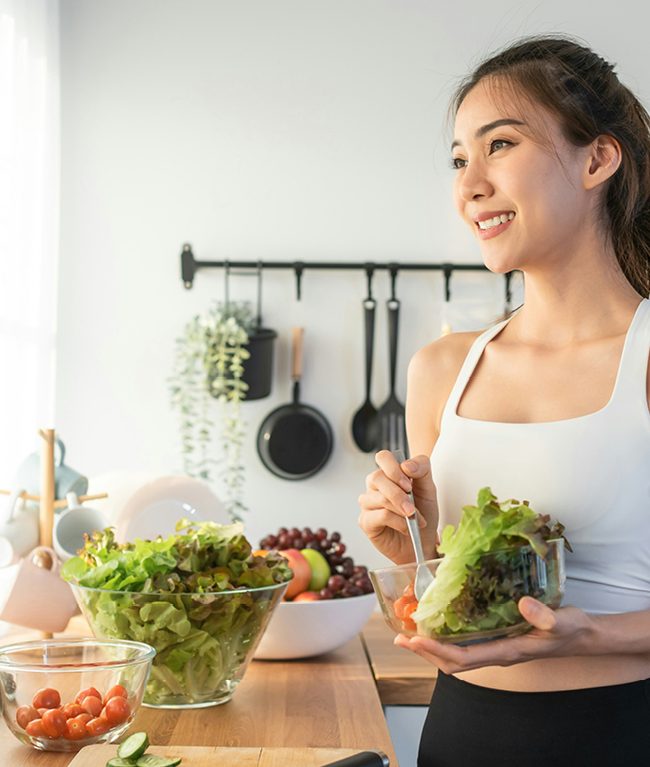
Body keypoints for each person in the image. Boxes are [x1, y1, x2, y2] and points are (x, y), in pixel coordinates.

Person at [357, 35, 650, 767]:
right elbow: (458, 601)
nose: (470, 185)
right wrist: (413, 544)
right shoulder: (443, 368)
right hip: (461, 734)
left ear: (596, 159)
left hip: (622, 733)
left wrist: (594, 632)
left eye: (501, 145)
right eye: (459, 159)